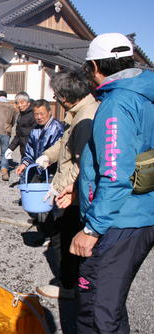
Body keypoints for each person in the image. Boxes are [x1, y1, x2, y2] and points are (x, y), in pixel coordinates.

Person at [57, 33, 154, 334]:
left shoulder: (117, 104)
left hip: (118, 220)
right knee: (111, 304)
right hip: (141, 211)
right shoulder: (144, 95)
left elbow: (114, 172)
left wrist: (91, 229)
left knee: (96, 309)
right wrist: (80, 188)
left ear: (96, 66)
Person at [34, 70, 98, 300]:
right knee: (64, 233)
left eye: (57, 95)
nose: (56, 98)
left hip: (72, 192)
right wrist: (47, 157)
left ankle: (69, 285)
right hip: (69, 187)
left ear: (65, 96)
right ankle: (73, 280)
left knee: (67, 237)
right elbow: (64, 144)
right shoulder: (79, 112)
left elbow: (83, 164)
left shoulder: (85, 120)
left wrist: (62, 187)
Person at [15, 99, 64, 181]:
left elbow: (59, 153)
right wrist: (24, 164)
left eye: (41, 114)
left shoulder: (57, 128)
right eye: (36, 114)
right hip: (38, 170)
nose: (39, 117)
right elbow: (29, 152)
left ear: (49, 112)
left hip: (52, 173)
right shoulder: (35, 129)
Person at [5, 91, 37, 162]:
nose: (19, 105)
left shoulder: (35, 114)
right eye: (17, 103)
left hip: (34, 152)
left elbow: (37, 133)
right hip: (24, 152)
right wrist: (10, 148)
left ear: (28, 103)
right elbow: (18, 135)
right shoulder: (21, 115)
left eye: (22, 102)